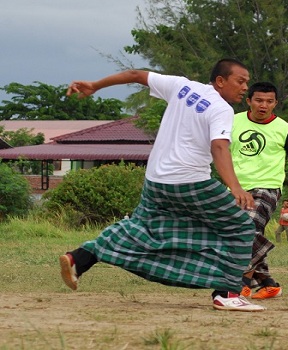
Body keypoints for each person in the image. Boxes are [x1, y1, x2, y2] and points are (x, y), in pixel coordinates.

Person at [59, 59, 266, 312]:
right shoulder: (221, 109)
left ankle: (80, 258)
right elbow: (219, 146)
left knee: (141, 226)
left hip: (156, 180)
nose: (245, 87)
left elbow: (135, 74)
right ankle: (228, 292)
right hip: (191, 182)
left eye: (246, 82)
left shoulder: (181, 86)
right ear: (220, 81)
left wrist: (95, 85)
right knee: (241, 227)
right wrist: (235, 187)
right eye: (240, 81)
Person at [229, 81, 288, 300]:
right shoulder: (231, 122)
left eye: (269, 101)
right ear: (249, 101)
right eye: (259, 100)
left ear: (275, 103)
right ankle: (268, 284)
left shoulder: (285, 129)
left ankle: (240, 283)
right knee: (240, 231)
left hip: (267, 187)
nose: (264, 105)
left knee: (248, 227)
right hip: (236, 188)